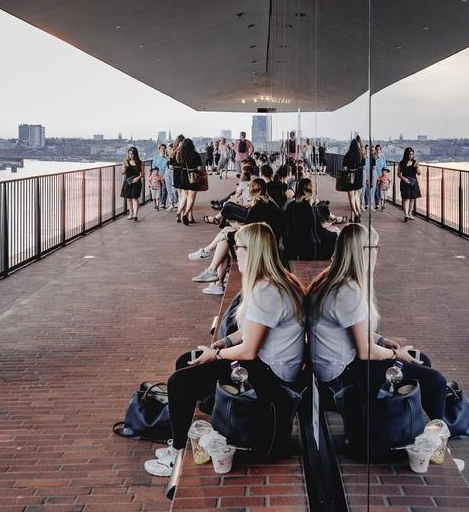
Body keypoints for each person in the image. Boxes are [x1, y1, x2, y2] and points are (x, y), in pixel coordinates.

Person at [145, 223, 305, 477]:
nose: (234, 253)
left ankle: (175, 454)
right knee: (188, 362)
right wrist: (226, 342)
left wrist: (216, 355)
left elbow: (250, 350)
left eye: (238, 248)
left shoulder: (266, 291)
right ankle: (205, 415)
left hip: (270, 374)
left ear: (252, 251)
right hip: (267, 364)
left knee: (179, 381)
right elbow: (253, 328)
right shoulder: (272, 283)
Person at [306, 224, 448, 423]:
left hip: (335, 367)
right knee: (435, 381)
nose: (377, 252)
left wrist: (382, 340)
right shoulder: (348, 292)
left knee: (420, 360)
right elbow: (365, 352)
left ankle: (402, 419)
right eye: (375, 247)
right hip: (341, 376)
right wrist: (396, 354)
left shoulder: (329, 281)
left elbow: (350, 327)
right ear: (364, 251)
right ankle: (437, 436)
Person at [281, 178, 338, 261]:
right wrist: (334, 234)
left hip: (291, 247)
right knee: (336, 235)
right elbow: (317, 232)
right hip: (308, 249)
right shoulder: (310, 208)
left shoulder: (291, 205)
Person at [337, 136, 365, 222]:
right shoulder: (361, 155)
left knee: (351, 198)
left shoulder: (348, 155)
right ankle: (357, 212)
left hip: (350, 177)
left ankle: (356, 215)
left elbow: (345, 167)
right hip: (358, 177)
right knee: (356, 196)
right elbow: (363, 165)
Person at [120, 146, 144, 221]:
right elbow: (122, 173)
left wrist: (137, 178)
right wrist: (123, 167)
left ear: (135, 154)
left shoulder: (140, 162)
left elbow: (143, 173)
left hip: (136, 182)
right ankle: (130, 213)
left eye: (132, 154)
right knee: (129, 199)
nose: (131, 155)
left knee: (135, 198)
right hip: (128, 182)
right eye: (129, 153)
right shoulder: (126, 162)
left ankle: (135, 214)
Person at [397, 147, 421, 221]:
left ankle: (410, 213)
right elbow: (398, 174)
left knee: (412, 199)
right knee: (405, 198)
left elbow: (419, 173)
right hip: (405, 182)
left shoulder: (415, 162)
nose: (411, 156)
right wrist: (403, 178)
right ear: (406, 154)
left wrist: (417, 167)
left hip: (413, 182)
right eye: (409, 154)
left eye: (412, 154)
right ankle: (406, 214)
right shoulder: (402, 163)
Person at [152, 143, 173, 210]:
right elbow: (153, 167)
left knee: (164, 189)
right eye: (161, 148)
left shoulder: (167, 157)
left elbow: (168, 167)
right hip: (157, 176)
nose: (163, 150)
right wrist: (154, 176)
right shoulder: (156, 157)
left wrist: (164, 176)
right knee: (158, 190)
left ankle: (163, 203)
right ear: (159, 150)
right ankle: (158, 203)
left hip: (165, 175)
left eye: (164, 148)